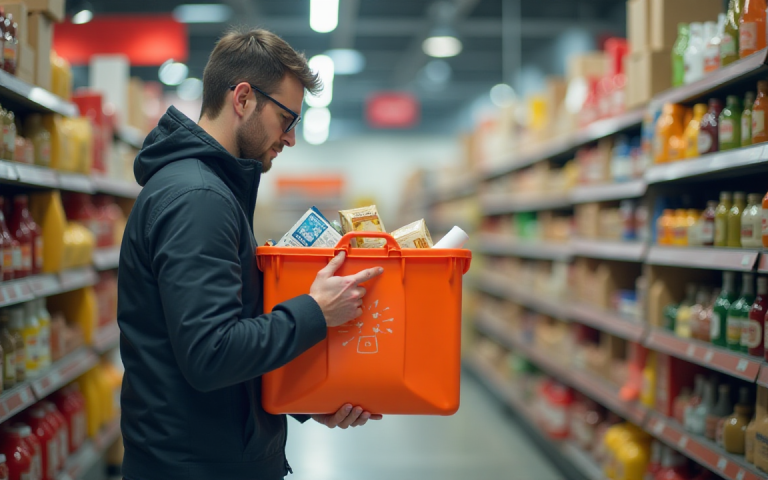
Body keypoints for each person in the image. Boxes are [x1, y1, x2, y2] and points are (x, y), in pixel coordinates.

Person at [117, 27, 382, 480]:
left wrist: (304, 403)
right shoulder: (198, 198)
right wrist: (315, 312)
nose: (291, 138)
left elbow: (229, 332)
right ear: (242, 98)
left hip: (208, 455)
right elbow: (211, 353)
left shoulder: (208, 189)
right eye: (287, 119)